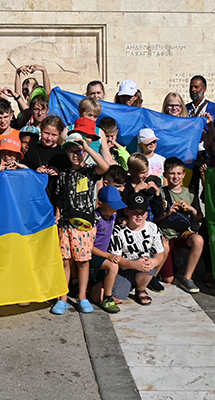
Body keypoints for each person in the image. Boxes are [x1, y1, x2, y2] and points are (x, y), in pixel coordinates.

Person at [50, 134, 109, 315]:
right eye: (71, 151)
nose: (75, 155)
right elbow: (60, 197)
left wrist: (87, 147)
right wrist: (58, 214)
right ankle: (63, 297)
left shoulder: (90, 170)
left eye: (79, 151)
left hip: (84, 225)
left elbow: (105, 166)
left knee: (83, 262)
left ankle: (82, 297)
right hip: (66, 225)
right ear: (66, 152)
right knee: (65, 261)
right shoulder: (64, 174)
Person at [155, 158, 204, 294]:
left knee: (198, 239)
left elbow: (199, 218)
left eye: (178, 173)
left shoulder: (190, 193)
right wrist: (167, 213)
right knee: (168, 279)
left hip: (182, 233)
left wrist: (191, 209)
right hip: (165, 234)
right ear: (165, 175)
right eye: (172, 173)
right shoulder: (160, 192)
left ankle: (187, 277)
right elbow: (154, 218)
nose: (175, 177)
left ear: (184, 175)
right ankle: (171, 262)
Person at [108, 192, 166, 306]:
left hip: (143, 264)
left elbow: (160, 254)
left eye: (142, 213)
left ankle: (141, 288)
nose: (139, 216)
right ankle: (130, 283)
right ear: (127, 211)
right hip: (125, 267)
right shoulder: (118, 231)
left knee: (148, 262)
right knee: (117, 298)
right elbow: (116, 258)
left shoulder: (152, 227)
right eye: (135, 213)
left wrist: (154, 262)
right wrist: (133, 265)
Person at [89, 185, 126, 313]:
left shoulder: (113, 216)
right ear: (100, 203)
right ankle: (108, 298)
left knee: (95, 298)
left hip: (102, 257)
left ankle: (94, 288)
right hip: (93, 256)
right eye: (111, 206)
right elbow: (89, 246)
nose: (115, 209)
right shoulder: (95, 219)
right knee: (113, 265)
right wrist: (108, 256)